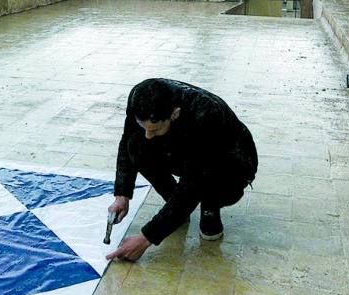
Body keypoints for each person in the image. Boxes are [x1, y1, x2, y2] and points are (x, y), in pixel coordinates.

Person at [105, 77, 257, 262]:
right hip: (184, 144)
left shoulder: (207, 114)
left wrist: (146, 238)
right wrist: (122, 194)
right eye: (144, 127)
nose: (148, 135)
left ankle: (210, 205)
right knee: (136, 145)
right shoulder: (139, 96)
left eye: (155, 129)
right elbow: (127, 140)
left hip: (231, 160)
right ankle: (175, 207)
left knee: (209, 180)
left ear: (175, 113)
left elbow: (191, 185)